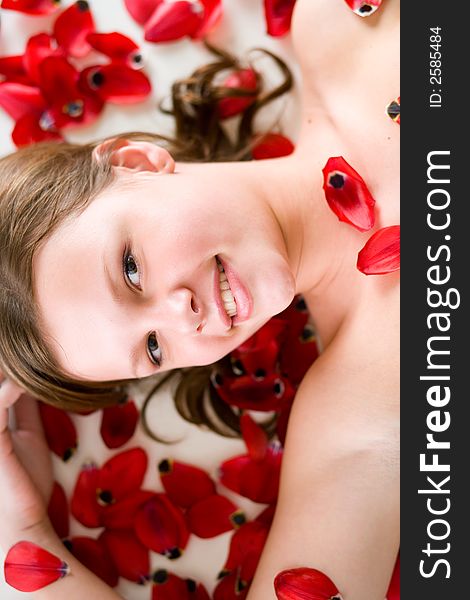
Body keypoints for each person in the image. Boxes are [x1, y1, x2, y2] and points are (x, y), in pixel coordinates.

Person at [0, 0, 400, 598]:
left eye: (131, 271)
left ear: (136, 161)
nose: (179, 315)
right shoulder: (358, 414)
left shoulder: (339, 26)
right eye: (154, 348)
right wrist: (18, 532)